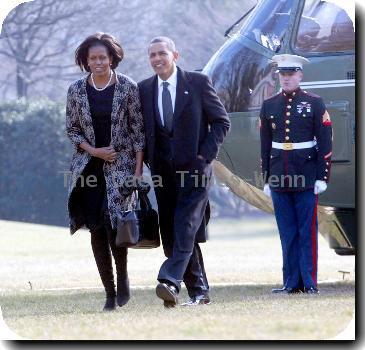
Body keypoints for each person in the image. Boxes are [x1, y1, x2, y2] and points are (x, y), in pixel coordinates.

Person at [138, 36, 230, 307]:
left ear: (175, 55)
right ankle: (198, 293)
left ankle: (169, 278)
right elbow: (142, 131)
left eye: (162, 53)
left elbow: (221, 122)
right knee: (171, 232)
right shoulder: (144, 89)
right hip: (162, 173)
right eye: (152, 55)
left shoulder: (198, 83)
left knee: (185, 226)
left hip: (196, 171)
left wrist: (204, 157)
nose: (157, 59)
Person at [66, 33, 144, 311]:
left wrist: (137, 171)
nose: (98, 62)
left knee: (117, 226)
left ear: (112, 58)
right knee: (96, 230)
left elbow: (138, 132)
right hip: (88, 168)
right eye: (92, 58)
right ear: (85, 62)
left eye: (102, 57)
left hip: (120, 168)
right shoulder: (76, 90)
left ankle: (123, 279)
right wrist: (94, 150)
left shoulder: (127, 87)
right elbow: (72, 130)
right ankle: (110, 294)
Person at [260, 54, 332, 294]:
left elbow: (324, 141)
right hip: (280, 175)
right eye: (283, 74)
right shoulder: (269, 105)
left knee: (306, 231)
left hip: (307, 175)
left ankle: (309, 282)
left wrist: (322, 176)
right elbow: (265, 145)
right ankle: (291, 283)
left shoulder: (314, 102)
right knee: (287, 231)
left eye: (291, 74)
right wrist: (267, 177)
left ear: (300, 75)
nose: (286, 78)